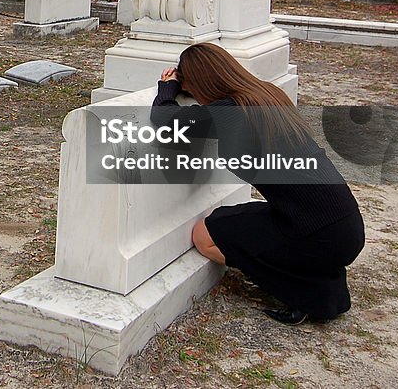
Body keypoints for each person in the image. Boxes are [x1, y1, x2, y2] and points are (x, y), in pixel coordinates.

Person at [151, 42, 365, 324]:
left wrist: (168, 89)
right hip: (345, 224)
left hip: (317, 234)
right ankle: (324, 288)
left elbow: (167, 122)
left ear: (201, 82)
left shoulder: (233, 111)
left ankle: (302, 295)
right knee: (226, 218)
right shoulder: (266, 94)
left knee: (205, 236)